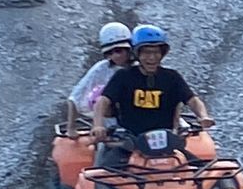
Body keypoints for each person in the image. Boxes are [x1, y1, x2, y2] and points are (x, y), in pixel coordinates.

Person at [90, 25, 213, 168]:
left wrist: (203, 116)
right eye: (147, 53)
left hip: (166, 142)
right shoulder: (123, 76)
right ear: (137, 54)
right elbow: (103, 101)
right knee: (102, 173)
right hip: (130, 142)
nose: (152, 57)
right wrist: (98, 125)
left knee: (205, 171)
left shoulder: (172, 77)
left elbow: (192, 100)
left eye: (156, 52)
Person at [66, 22, 134, 135]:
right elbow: (75, 97)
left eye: (119, 50)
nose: (115, 56)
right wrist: (71, 128)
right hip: (109, 127)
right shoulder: (101, 68)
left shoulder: (141, 68)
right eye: (109, 53)